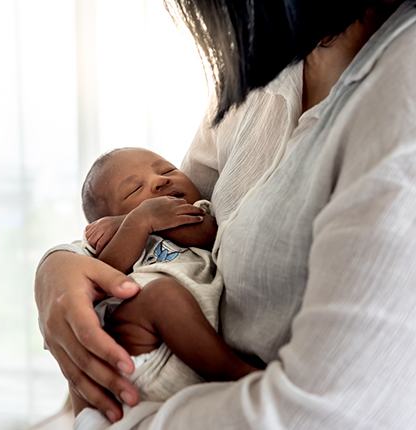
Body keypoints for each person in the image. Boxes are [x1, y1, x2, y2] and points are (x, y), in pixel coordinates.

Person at [35, 0, 416, 428]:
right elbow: (131, 226)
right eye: (139, 186)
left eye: (162, 171)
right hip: (141, 375)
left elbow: (322, 415)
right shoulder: (261, 71)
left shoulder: (398, 97)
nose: (161, 181)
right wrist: (61, 264)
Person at [68, 147, 259, 414]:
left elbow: (206, 233)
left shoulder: (198, 211)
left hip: (190, 361)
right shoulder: (119, 237)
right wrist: (136, 222)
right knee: (160, 295)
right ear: (106, 219)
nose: (160, 180)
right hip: (142, 347)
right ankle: (240, 375)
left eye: (167, 170)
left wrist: (140, 217)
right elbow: (105, 273)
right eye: (134, 190)